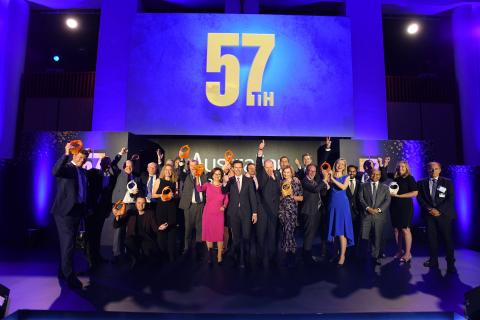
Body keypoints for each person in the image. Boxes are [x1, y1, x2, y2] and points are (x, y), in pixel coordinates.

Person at [50, 143, 90, 289]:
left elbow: (82, 192)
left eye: (84, 159)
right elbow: (55, 171)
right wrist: (66, 153)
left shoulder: (83, 172)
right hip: (64, 213)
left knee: (70, 244)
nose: (82, 161)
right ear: (75, 155)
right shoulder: (67, 168)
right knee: (68, 245)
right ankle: (69, 276)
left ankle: (62, 271)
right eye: (80, 158)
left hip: (76, 211)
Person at [417, 162, 457, 273]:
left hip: (444, 215)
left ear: (440, 170)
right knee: (431, 239)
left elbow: (451, 198)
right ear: (427, 170)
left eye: (436, 169)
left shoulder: (447, 182)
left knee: (447, 239)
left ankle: (450, 263)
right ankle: (433, 260)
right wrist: (430, 209)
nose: (433, 171)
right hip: (429, 216)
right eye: (431, 169)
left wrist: (438, 210)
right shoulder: (421, 183)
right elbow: (420, 198)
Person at [85, 150, 122, 269]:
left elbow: (116, 169)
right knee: (90, 235)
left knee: (98, 234)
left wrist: (118, 156)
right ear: (100, 164)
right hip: (92, 209)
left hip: (102, 210)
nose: (106, 164)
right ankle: (90, 260)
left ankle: (97, 257)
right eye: (104, 162)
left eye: (108, 162)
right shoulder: (93, 173)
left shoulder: (112, 176)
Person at [222, 160, 258, 269]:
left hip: (246, 213)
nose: (237, 169)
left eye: (239, 167)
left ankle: (244, 256)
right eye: (235, 167)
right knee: (236, 238)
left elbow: (252, 197)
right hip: (233, 213)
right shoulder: (230, 180)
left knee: (246, 236)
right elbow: (223, 191)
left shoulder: (248, 180)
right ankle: (239, 258)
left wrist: (254, 213)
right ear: (233, 168)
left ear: (242, 168)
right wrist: (224, 182)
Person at [113, 196, 164, 268]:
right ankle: (135, 259)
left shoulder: (150, 213)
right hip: (133, 238)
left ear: (146, 204)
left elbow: (155, 227)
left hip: (145, 238)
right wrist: (117, 216)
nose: (141, 205)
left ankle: (143, 258)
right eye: (139, 203)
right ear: (136, 204)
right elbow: (117, 225)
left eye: (143, 203)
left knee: (150, 259)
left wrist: (160, 227)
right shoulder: (131, 213)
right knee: (129, 242)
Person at [111, 150, 142, 262]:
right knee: (119, 229)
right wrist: (120, 154)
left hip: (131, 206)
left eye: (131, 166)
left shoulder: (137, 178)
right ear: (124, 167)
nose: (129, 167)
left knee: (130, 230)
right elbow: (113, 164)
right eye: (127, 166)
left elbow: (140, 192)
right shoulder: (119, 173)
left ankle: (127, 251)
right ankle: (116, 253)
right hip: (120, 204)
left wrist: (136, 193)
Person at [255, 140, 281, 268]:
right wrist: (260, 151)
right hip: (262, 210)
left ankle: (272, 258)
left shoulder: (276, 176)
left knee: (272, 236)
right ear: (264, 168)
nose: (270, 169)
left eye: (271, 167)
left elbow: (280, 192)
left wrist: (276, 180)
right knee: (260, 235)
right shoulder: (260, 174)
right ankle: (259, 258)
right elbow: (258, 163)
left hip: (274, 211)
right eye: (267, 167)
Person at [195, 167, 229, 265]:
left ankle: (219, 255)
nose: (217, 176)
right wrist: (197, 177)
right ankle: (209, 254)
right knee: (209, 234)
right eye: (215, 174)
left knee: (219, 234)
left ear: (221, 176)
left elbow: (226, 199)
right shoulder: (207, 185)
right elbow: (198, 189)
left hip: (219, 212)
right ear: (212, 175)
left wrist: (224, 206)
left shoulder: (224, 186)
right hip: (208, 212)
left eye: (219, 174)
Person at [358, 169, 391, 265]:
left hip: (379, 216)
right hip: (366, 215)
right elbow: (360, 198)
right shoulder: (363, 185)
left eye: (377, 174)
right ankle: (363, 256)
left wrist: (378, 210)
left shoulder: (385, 187)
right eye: (373, 174)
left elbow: (387, 200)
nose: (375, 176)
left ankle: (375, 256)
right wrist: (368, 208)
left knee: (377, 237)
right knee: (364, 236)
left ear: (380, 176)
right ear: (370, 175)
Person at [326, 158, 355, 267]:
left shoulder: (346, 177)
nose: (339, 165)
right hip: (332, 204)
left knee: (341, 232)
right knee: (334, 232)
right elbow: (326, 187)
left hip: (342, 205)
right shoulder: (330, 174)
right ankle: (336, 253)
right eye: (338, 163)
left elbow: (343, 187)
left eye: (342, 164)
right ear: (335, 164)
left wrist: (332, 179)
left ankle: (342, 256)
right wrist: (328, 178)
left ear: (344, 167)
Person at [389, 160, 418, 264]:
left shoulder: (410, 178)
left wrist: (399, 196)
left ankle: (407, 253)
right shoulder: (395, 178)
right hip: (394, 206)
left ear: (406, 168)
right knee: (397, 230)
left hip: (405, 207)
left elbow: (415, 193)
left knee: (405, 230)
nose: (400, 168)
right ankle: (399, 251)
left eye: (403, 167)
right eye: (399, 166)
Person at [177, 157, 207, 258]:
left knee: (200, 228)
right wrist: (181, 161)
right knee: (188, 228)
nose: (194, 167)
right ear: (189, 166)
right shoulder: (185, 176)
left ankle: (199, 249)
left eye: (195, 165)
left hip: (200, 206)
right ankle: (186, 248)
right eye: (191, 165)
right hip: (188, 206)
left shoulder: (203, 177)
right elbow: (180, 172)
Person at [300, 164, 329, 264]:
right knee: (308, 235)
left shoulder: (315, 181)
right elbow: (315, 189)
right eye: (310, 171)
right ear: (307, 171)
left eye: (314, 171)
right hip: (309, 212)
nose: (312, 173)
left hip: (316, 211)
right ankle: (306, 258)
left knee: (312, 235)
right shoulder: (304, 181)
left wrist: (325, 186)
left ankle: (307, 256)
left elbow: (322, 193)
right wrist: (324, 180)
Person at [278, 166, 303, 267]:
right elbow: (277, 197)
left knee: (289, 230)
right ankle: (290, 250)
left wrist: (292, 196)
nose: (286, 174)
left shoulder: (296, 183)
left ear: (291, 172)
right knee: (285, 230)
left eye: (288, 172)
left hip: (292, 209)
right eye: (284, 172)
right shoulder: (280, 183)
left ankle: (289, 251)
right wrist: (282, 196)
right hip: (281, 210)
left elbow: (301, 198)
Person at [152, 164, 178, 263]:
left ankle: (172, 256)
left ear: (172, 172)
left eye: (170, 170)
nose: (168, 171)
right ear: (163, 171)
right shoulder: (159, 180)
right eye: (166, 169)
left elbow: (176, 195)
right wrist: (163, 195)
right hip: (161, 208)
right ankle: (162, 255)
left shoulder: (174, 182)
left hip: (171, 208)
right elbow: (153, 194)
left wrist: (173, 195)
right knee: (161, 232)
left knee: (172, 232)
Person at [346, 165, 362, 251]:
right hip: (346, 210)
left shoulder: (360, 183)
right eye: (350, 171)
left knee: (356, 232)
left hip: (357, 211)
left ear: (356, 172)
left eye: (353, 171)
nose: (351, 173)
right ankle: (346, 250)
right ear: (347, 171)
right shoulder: (343, 181)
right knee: (346, 232)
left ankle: (355, 250)